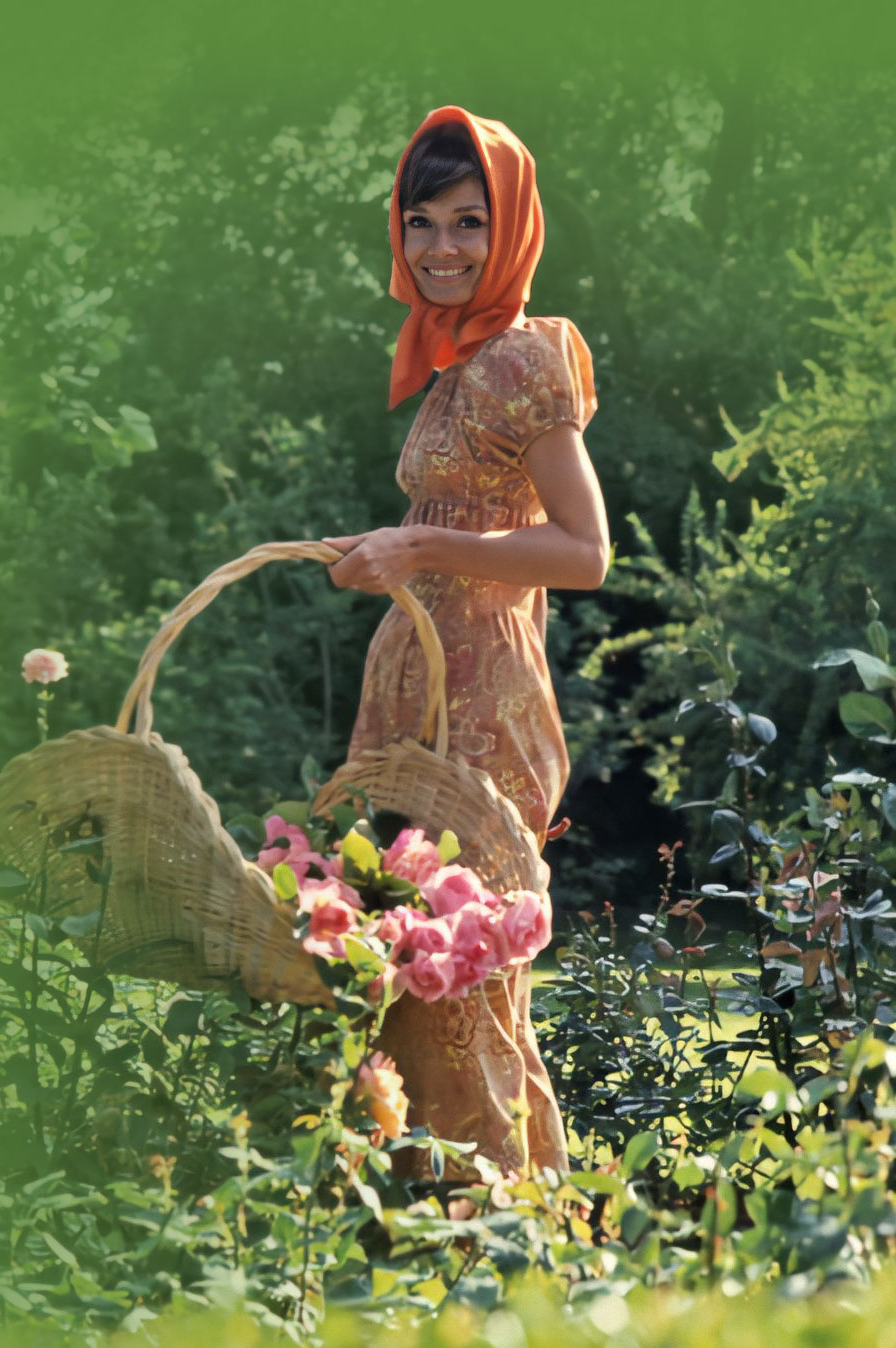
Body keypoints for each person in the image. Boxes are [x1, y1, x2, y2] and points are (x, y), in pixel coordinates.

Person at [322, 106, 611, 1181]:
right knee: (399, 965)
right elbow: (449, 534)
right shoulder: (453, 361)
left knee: (464, 978)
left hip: (483, 705)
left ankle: (494, 1232)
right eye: (420, 222)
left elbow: (584, 551)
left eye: (468, 224)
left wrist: (422, 543)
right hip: (415, 696)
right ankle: (415, 1220)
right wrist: (383, 554)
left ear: (513, 229)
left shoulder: (526, 355)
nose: (440, 249)